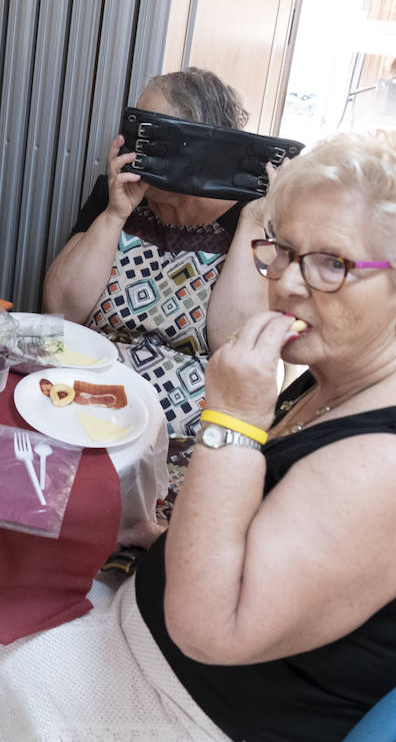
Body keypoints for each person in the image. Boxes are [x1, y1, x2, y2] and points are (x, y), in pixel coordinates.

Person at [0, 129, 396, 741]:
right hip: (178, 656)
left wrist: (232, 420)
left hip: (199, 711)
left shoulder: (392, 464)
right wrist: (164, 540)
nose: (291, 284)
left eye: (333, 264)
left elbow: (208, 629)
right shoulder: (345, 379)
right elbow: (278, 538)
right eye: (285, 250)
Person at [42, 68, 265, 521]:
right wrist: (115, 212)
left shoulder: (253, 216)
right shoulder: (121, 193)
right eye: (136, 128)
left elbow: (233, 342)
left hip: (185, 430)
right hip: (94, 402)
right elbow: (60, 308)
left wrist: (253, 225)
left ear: (203, 145)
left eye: (155, 135)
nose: (135, 144)